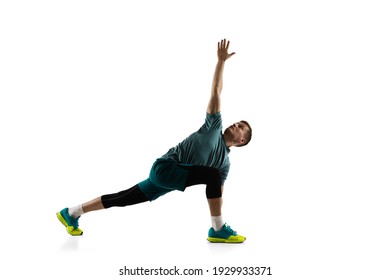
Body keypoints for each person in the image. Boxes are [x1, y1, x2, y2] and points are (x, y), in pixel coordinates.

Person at [56, 39, 252, 243]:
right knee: (211, 175)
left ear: (241, 141)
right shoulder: (213, 127)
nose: (235, 125)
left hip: (165, 180)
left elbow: (217, 193)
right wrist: (221, 62)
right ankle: (217, 229)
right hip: (165, 168)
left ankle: (72, 212)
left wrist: (217, 204)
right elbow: (215, 90)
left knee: (122, 198)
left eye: (240, 127)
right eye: (236, 122)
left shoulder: (224, 164)